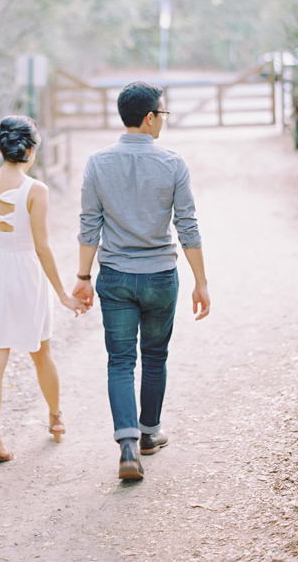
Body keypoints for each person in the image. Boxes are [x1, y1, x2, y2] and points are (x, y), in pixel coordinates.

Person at [72, 82, 211, 481]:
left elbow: (88, 228)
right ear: (149, 117)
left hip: (114, 277)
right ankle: (150, 433)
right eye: (162, 114)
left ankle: (128, 446)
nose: (163, 121)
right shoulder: (172, 163)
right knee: (154, 356)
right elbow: (188, 227)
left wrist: (83, 276)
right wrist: (201, 282)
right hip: (160, 278)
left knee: (120, 360)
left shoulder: (97, 164)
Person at [0, 115, 88, 468]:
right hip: (26, 273)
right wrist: (64, 295)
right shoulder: (36, 190)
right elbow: (42, 248)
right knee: (41, 352)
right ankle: (55, 416)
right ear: (31, 150)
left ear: (1, 146)